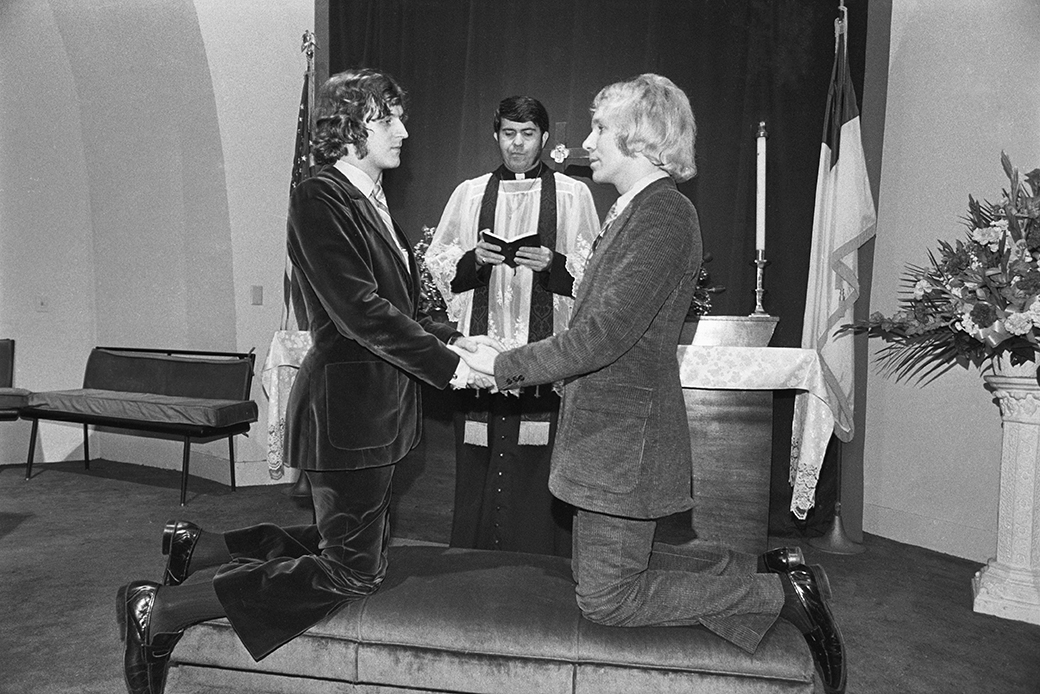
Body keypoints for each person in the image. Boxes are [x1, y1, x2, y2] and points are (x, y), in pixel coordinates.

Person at [458, 74, 847, 694]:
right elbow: (599, 327)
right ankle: (743, 570)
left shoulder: (663, 215)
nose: (588, 142)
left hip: (623, 438)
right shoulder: (638, 210)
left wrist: (502, 366)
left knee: (607, 599)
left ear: (640, 139)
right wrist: (504, 347)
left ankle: (779, 593)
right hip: (607, 430)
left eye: (602, 129)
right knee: (606, 570)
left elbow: (605, 334)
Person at [114, 68, 493, 694]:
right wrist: (451, 369)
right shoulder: (321, 196)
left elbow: (406, 305)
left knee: (336, 534)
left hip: (382, 408)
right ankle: (160, 611)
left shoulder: (371, 200)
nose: (403, 130)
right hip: (348, 411)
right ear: (349, 129)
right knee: (352, 569)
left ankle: (202, 546)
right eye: (387, 118)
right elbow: (360, 310)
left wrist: (458, 340)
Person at [425, 96, 598, 557]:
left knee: (538, 466)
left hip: (543, 357)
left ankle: (542, 560)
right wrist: (473, 261)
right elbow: (439, 266)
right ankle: (472, 557)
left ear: (543, 138)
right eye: (507, 133)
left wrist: (554, 264)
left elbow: (594, 272)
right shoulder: (470, 193)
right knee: (477, 462)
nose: (516, 144)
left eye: (526, 134)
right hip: (484, 357)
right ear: (495, 136)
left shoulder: (571, 195)